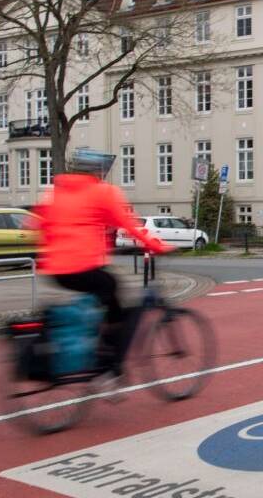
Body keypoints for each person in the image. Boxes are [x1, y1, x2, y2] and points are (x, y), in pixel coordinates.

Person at [33, 149, 171, 386]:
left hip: (56, 270)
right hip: (83, 265)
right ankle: (109, 365)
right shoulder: (102, 192)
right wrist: (155, 245)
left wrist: (46, 256)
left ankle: (90, 346)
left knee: (98, 299)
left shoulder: (56, 191)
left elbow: (38, 223)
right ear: (99, 171)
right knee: (114, 291)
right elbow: (128, 223)